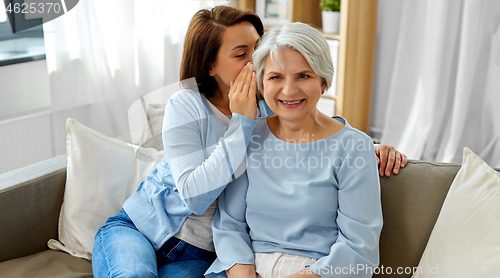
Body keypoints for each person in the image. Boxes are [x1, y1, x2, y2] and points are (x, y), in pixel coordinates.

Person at [92, 5, 404, 278]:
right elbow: (195, 197)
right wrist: (241, 123)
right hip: (143, 229)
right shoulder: (188, 106)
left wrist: (366, 148)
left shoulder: (269, 104)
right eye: (243, 55)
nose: (259, 62)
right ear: (211, 66)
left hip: (201, 251)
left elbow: (311, 125)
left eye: (259, 49)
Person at [206, 22, 383, 278]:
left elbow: (359, 248)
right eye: (276, 77)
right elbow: (228, 225)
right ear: (261, 83)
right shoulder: (248, 135)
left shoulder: (354, 147)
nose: (289, 90)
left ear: (323, 82)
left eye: (303, 76)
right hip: (244, 269)